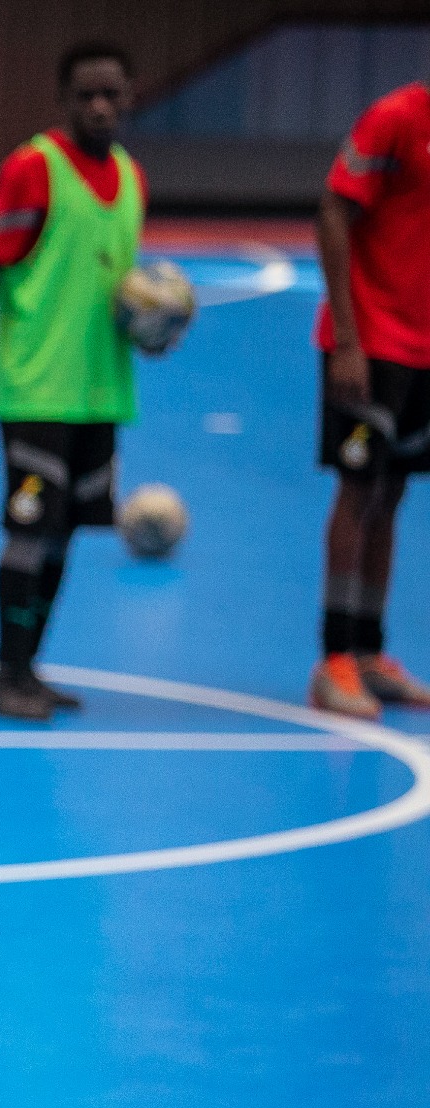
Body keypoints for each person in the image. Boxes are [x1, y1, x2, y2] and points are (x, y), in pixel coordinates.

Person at [0, 43, 146, 721]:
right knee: (30, 532)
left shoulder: (130, 177)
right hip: (35, 386)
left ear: (129, 98)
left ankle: (30, 667)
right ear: (64, 100)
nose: (99, 107)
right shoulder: (35, 168)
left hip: (100, 389)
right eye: (86, 95)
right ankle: (6, 676)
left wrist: (150, 323)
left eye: (111, 94)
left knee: (63, 534)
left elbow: (118, 283)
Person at [309, 79, 430, 718]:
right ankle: (334, 660)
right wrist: (348, 340)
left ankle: (368, 651)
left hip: (424, 350)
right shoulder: (395, 118)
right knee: (358, 491)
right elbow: (333, 210)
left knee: (392, 494)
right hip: (372, 340)